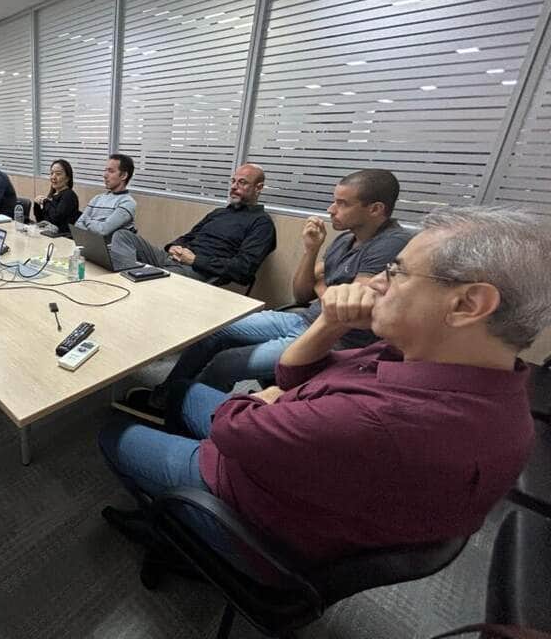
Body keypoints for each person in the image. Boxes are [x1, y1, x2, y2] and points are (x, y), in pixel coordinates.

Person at [100, 205, 548, 565]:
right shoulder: (449, 368)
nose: (375, 282)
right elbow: (292, 376)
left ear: (469, 303)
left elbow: (232, 428)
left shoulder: (382, 419)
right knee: (181, 393)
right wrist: (329, 324)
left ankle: (180, 532)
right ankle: (175, 494)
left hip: (258, 516)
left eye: (397, 272)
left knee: (111, 430)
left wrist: (266, 403)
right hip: (294, 469)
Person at [124, 169, 412, 418]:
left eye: (342, 203)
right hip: (303, 319)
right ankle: (168, 395)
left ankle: (195, 416)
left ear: (375, 209)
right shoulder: (346, 239)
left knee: (224, 364)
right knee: (214, 332)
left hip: (332, 340)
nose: (330, 209)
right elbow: (301, 294)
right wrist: (311, 251)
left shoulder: (391, 244)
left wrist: (321, 284)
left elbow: (344, 311)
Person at [109, 163, 275, 285]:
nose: (233, 187)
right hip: (175, 258)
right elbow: (189, 237)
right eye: (233, 181)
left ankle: (131, 282)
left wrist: (195, 260)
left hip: (197, 271)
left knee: (154, 279)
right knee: (123, 236)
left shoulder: (262, 223)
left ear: (258, 188)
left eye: (242, 182)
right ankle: (129, 280)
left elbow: (243, 270)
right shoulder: (219, 212)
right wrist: (173, 246)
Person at [75, 153, 137, 237]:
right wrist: (94, 226)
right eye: (105, 170)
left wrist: (86, 220)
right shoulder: (97, 198)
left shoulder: (127, 202)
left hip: (110, 249)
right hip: (88, 245)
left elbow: (103, 230)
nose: (104, 175)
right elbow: (78, 225)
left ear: (124, 175)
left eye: (111, 171)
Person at [32, 159, 80, 233]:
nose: (53, 177)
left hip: (62, 238)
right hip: (48, 234)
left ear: (67, 178)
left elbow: (56, 219)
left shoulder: (69, 196)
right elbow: (42, 221)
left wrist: (45, 202)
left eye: (58, 174)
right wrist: (37, 204)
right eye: (51, 173)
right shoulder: (53, 195)